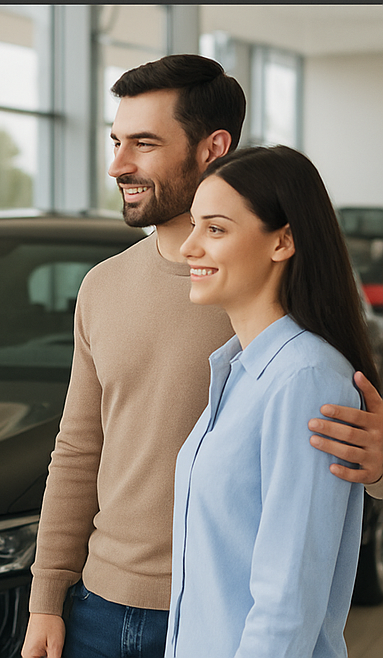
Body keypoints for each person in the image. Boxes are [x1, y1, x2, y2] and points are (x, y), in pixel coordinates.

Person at [21, 54, 383, 658]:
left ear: (212, 146)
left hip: (225, 613)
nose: (119, 165)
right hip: (97, 607)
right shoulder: (102, 288)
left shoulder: (272, 313)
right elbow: (79, 448)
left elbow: (312, 517)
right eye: (115, 141)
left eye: (143, 143)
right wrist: (47, 596)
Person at [166, 145, 374, 657]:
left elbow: (288, 602)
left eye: (215, 229)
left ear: (283, 241)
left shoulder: (304, 379)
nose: (188, 247)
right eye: (193, 226)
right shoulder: (240, 370)